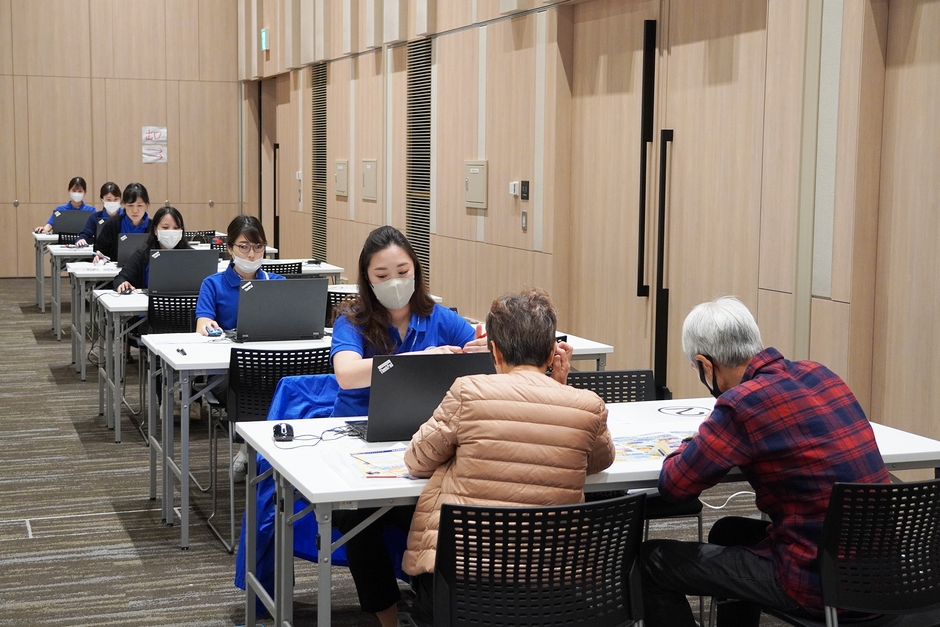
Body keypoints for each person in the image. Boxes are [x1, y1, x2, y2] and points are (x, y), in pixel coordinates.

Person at [640, 296, 890, 627]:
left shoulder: (742, 403)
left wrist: (690, 443)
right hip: (885, 574)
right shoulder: (820, 373)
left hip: (817, 582)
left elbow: (674, 485)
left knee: (652, 562)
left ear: (705, 364)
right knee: (729, 530)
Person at [397, 288, 616, 625]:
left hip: (461, 586)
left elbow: (416, 459)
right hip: (552, 589)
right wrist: (561, 387)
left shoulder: (468, 391)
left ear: (494, 351)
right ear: (551, 352)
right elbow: (600, 460)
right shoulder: (586, 405)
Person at [330, 225, 479, 418]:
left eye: (403, 272)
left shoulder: (441, 318)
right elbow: (347, 376)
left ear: (415, 270)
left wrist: (489, 350)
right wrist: (419, 360)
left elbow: (483, 361)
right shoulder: (352, 321)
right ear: (367, 279)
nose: (395, 282)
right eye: (382, 276)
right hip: (356, 422)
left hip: (422, 426)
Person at [195, 215, 283, 335]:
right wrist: (207, 326)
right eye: (244, 247)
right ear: (230, 248)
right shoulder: (212, 284)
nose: (252, 254)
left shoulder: (278, 283)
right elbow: (202, 325)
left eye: (258, 246)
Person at [113, 206, 190, 293]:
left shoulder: (192, 256)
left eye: (176, 228)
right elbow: (120, 278)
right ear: (155, 230)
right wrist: (123, 283)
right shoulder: (143, 254)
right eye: (165, 227)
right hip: (149, 304)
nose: (171, 232)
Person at [94, 182, 152, 262]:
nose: (135, 210)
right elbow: (101, 250)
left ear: (146, 205)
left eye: (139, 205)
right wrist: (100, 257)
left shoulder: (153, 227)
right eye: (130, 205)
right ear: (124, 204)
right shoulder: (112, 224)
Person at [75, 182, 122, 247]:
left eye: (116, 199)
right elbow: (85, 235)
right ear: (102, 200)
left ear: (120, 199)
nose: (112, 202)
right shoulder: (95, 217)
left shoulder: (126, 217)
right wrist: (81, 240)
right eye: (109, 200)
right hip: (100, 253)